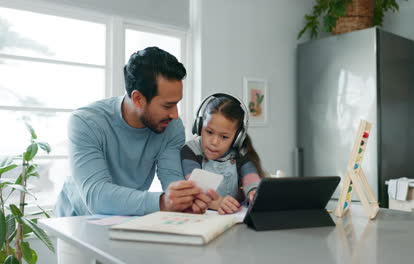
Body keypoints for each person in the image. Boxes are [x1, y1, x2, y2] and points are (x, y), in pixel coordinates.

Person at [55, 46, 216, 218]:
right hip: (77, 220)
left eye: (177, 103)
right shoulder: (86, 122)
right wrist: (163, 202)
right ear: (138, 99)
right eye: (167, 105)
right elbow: (96, 196)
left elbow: (171, 179)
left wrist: (185, 200)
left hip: (127, 217)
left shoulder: (171, 125)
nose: (175, 114)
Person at [181, 93, 264, 215]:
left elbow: (250, 178)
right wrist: (217, 203)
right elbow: (194, 187)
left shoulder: (240, 153)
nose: (214, 142)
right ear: (199, 126)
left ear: (237, 138)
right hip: (200, 216)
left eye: (224, 137)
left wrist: (254, 193)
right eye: (209, 132)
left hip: (231, 216)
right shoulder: (191, 151)